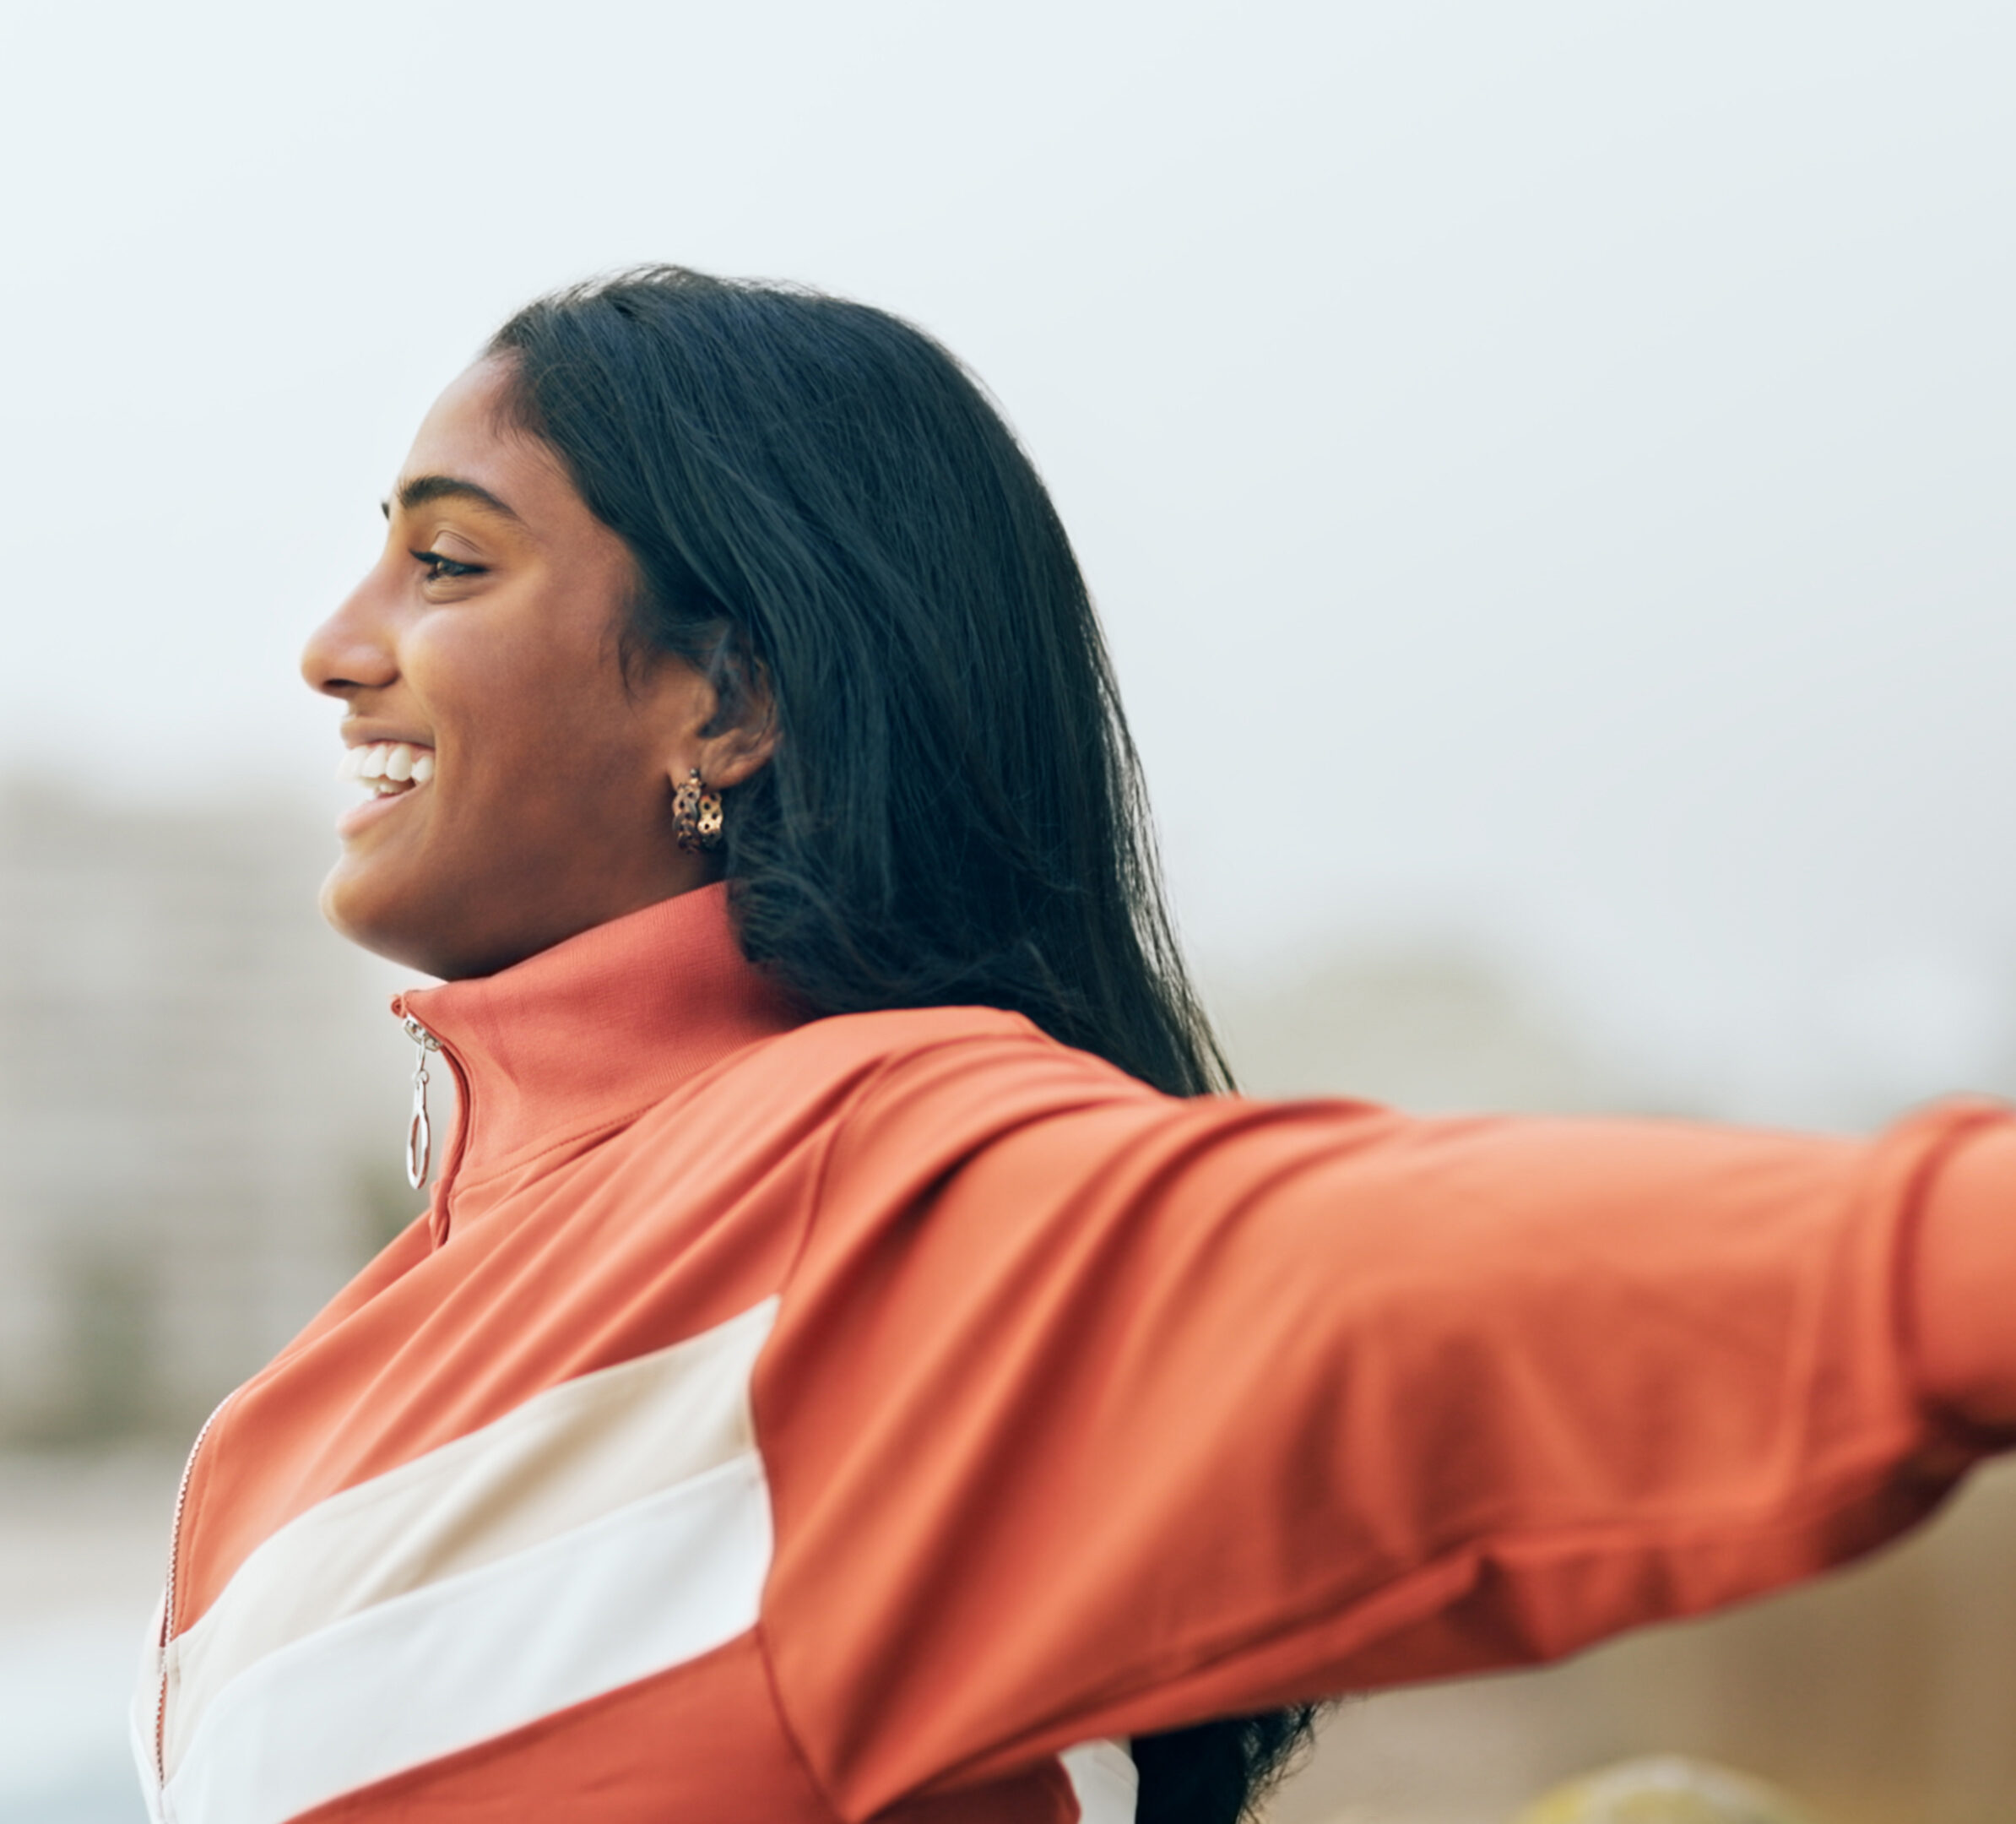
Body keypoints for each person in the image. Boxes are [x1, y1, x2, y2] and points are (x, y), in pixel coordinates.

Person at [133, 266, 2016, 1824]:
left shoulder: (875, 1204)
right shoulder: (274, 1436)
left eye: (450, 565)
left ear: (729, 698)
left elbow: (1470, 1296)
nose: (330, 646)